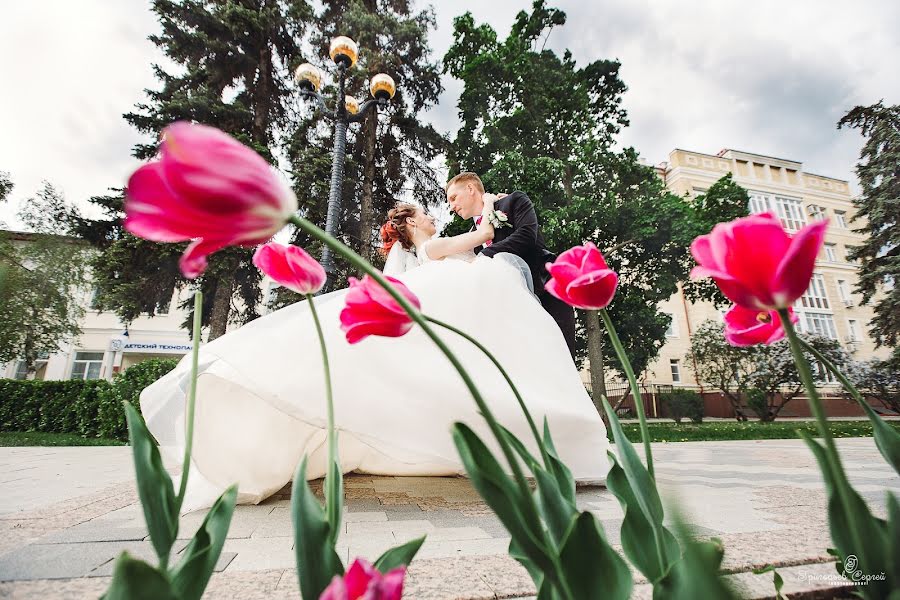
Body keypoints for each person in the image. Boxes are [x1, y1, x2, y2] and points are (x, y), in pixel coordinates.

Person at [141, 200, 608, 511]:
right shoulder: (431, 246)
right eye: (424, 213)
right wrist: (489, 221)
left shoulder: (422, 252)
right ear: (409, 226)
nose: (431, 216)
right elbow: (473, 245)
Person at [446, 172, 577, 357]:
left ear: (470, 189)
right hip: (514, 310)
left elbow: (527, 235)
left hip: (547, 290)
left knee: (562, 356)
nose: (452, 206)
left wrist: (484, 255)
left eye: (453, 198)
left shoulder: (513, 200)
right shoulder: (473, 236)